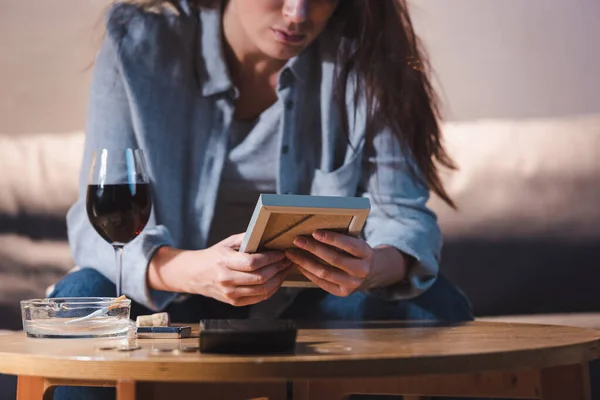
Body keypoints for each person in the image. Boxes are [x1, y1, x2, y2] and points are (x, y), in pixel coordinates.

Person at [0, 0, 474, 399]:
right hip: (173, 306)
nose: (298, 14)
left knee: (436, 304)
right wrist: (192, 270)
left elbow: (405, 218)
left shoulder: (367, 58)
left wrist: (370, 266)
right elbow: (95, 225)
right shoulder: (140, 43)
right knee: (84, 296)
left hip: (313, 308)